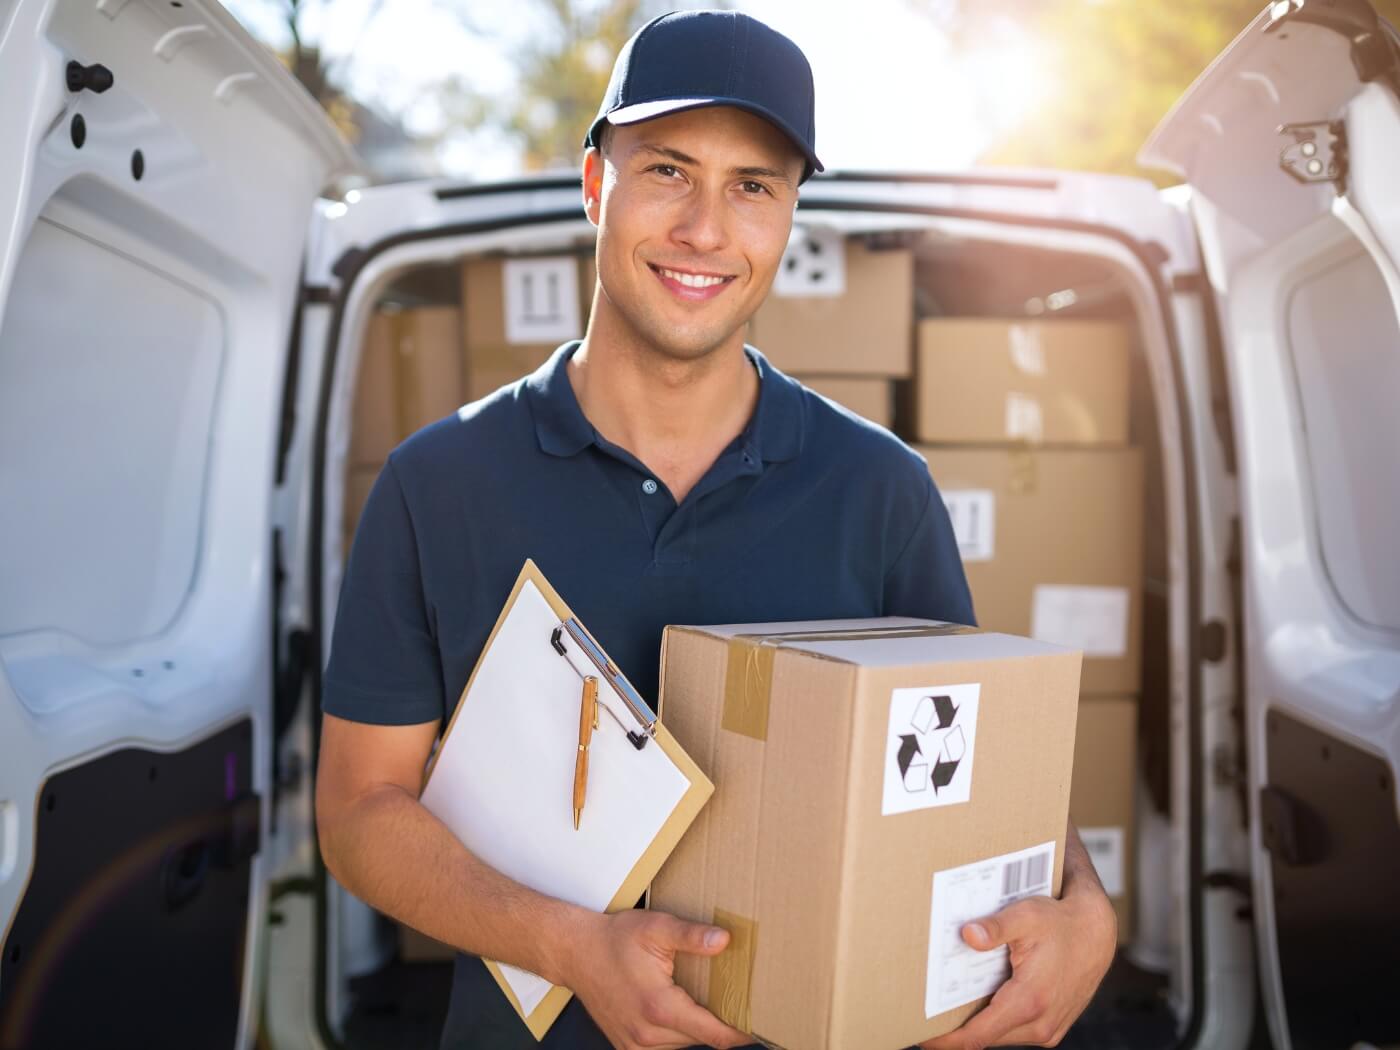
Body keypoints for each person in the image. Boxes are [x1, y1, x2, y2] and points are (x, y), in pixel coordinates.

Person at [315, 10, 1117, 1050]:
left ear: (787, 217)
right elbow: (359, 815)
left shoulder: (877, 488)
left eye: (753, 187)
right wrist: (571, 949)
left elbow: (967, 766)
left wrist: (1085, 907)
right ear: (596, 182)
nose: (705, 228)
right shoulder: (438, 483)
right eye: (667, 171)